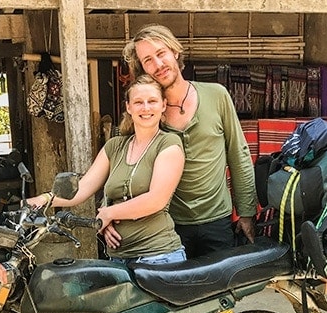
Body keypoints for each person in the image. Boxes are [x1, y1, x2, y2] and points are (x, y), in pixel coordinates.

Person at [105, 23, 257, 259]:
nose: (158, 64)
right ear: (142, 69)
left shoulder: (216, 95)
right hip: (167, 228)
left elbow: (239, 154)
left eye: (161, 53)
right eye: (148, 60)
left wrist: (247, 213)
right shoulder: (149, 114)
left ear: (175, 52)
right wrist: (109, 217)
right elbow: (124, 166)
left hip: (217, 220)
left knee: (219, 294)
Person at [29, 74, 185, 268]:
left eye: (152, 101)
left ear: (163, 105)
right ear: (128, 107)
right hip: (118, 259)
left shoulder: (169, 144)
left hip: (158, 257)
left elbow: (156, 200)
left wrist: (108, 214)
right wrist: (43, 199)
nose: (145, 107)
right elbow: (83, 188)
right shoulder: (114, 146)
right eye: (138, 102)